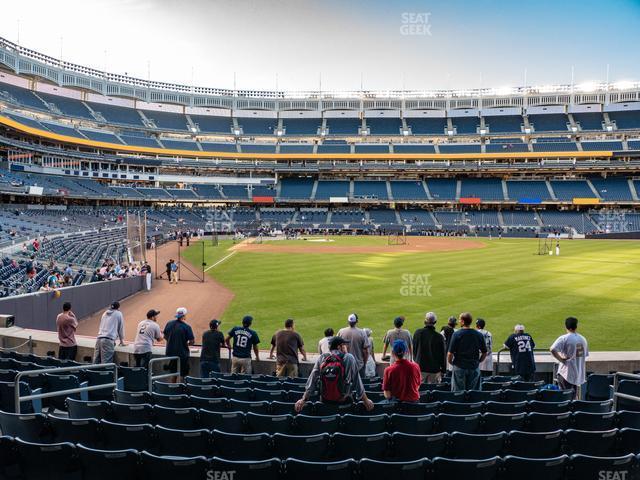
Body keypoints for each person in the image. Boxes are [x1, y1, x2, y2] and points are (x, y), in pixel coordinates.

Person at [294, 336, 374, 413]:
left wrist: (303, 400)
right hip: (343, 402)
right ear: (339, 347)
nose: (346, 347)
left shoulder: (322, 358)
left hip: (325, 401)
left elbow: (312, 379)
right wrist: (366, 400)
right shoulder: (349, 357)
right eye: (344, 345)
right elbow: (357, 380)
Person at [550, 317, 589, 399]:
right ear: (576, 326)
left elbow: (552, 349)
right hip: (577, 374)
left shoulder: (564, 338)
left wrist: (561, 359)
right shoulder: (582, 339)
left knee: (565, 398)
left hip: (566, 373)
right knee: (573, 397)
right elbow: (580, 355)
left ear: (566, 326)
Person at [447, 312, 487, 391]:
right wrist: (478, 361)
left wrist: (451, 362)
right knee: (474, 394)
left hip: (459, 367)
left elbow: (450, 353)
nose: (458, 321)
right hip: (473, 367)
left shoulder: (456, 334)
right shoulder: (478, 335)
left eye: (459, 319)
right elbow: (484, 352)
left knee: (458, 394)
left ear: (462, 321)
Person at [413, 312, 446, 383]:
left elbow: (414, 351)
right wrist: (443, 370)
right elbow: (443, 355)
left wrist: (416, 362)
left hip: (420, 368)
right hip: (434, 370)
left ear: (425, 321)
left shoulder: (418, 333)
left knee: (421, 392)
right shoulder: (439, 337)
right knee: (433, 392)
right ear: (435, 322)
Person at [163, 307, 195, 382]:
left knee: (174, 373)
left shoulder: (169, 323)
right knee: (183, 374)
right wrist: (185, 343)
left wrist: (172, 341)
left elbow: (165, 336)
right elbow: (192, 341)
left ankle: (173, 390)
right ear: (183, 316)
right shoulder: (186, 327)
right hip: (182, 354)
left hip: (171, 353)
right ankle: (181, 389)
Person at [337, 313, 369, 378]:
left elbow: (336, 347)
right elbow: (365, 351)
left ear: (348, 321)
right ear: (356, 321)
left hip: (344, 364)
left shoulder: (341, 331)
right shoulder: (362, 332)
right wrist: (364, 363)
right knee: (360, 385)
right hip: (359, 365)